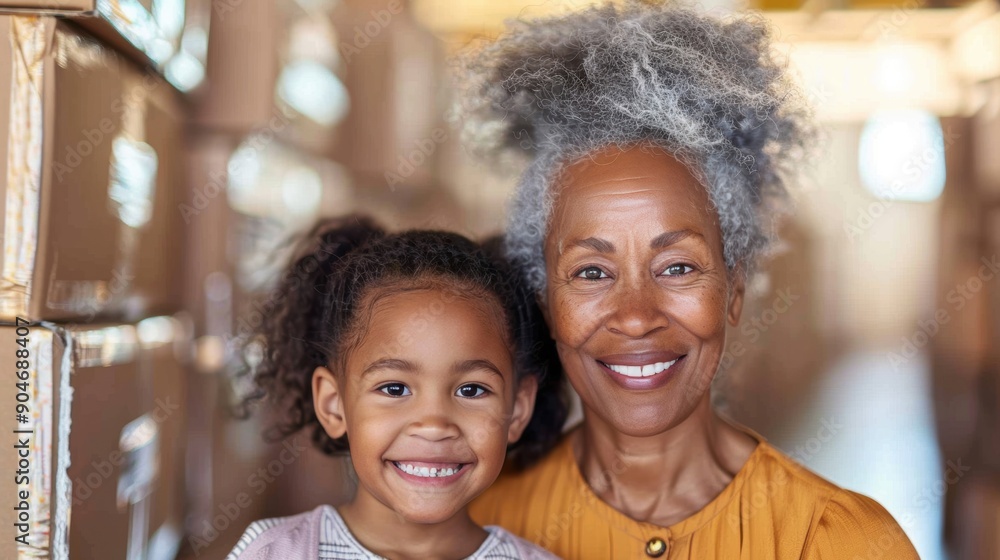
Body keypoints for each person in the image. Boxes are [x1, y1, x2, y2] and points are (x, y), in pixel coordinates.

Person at [455, 1, 920, 558]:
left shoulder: (840, 540)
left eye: (677, 267)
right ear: (546, 298)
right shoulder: (482, 529)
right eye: (591, 272)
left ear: (735, 288)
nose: (635, 315)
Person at [227, 216, 564, 559]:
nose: (434, 426)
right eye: (395, 389)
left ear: (518, 408)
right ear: (333, 403)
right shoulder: (273, 551)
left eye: (471, 390)